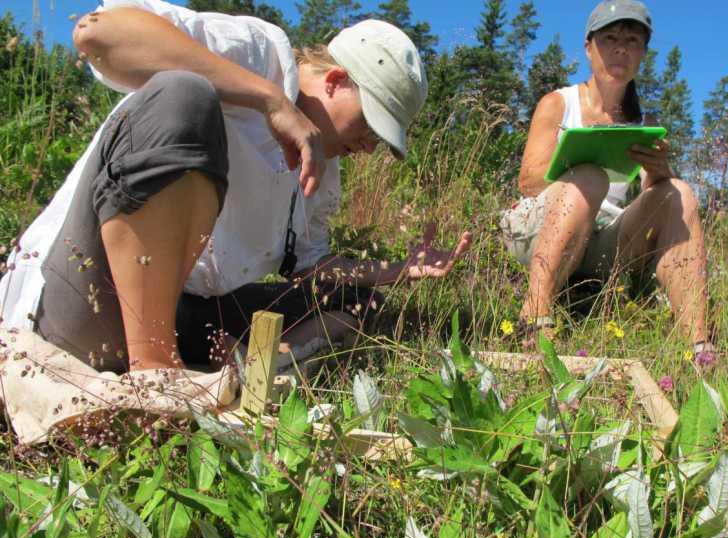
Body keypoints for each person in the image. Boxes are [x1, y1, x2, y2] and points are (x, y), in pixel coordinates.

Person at [0, 0, 471, 374]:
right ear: (336, 81)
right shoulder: (259, 53)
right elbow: (98, 33)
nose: (368, 146)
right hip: (89, 303)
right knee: (185, 96)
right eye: (370, 125)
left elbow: (311, 268)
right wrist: (267, 99)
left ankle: (255, 363)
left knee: (354, 302)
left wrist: (397, 269)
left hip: (191, 312)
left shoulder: (323, 172)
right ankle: (155, 373)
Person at [500, 0, 712, 358]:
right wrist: (582, 165)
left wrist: (660, 170)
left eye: (632, 41)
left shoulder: (638, 124)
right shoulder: (559, 103)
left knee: (679, 192)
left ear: (642, 53)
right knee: (591, 178)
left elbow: (651, 195)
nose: (620, 48)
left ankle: (699, 347)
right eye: (609, 37)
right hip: (539, 228)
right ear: (588, 47)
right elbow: (529, 181)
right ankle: (533, 321)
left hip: (600, 242)